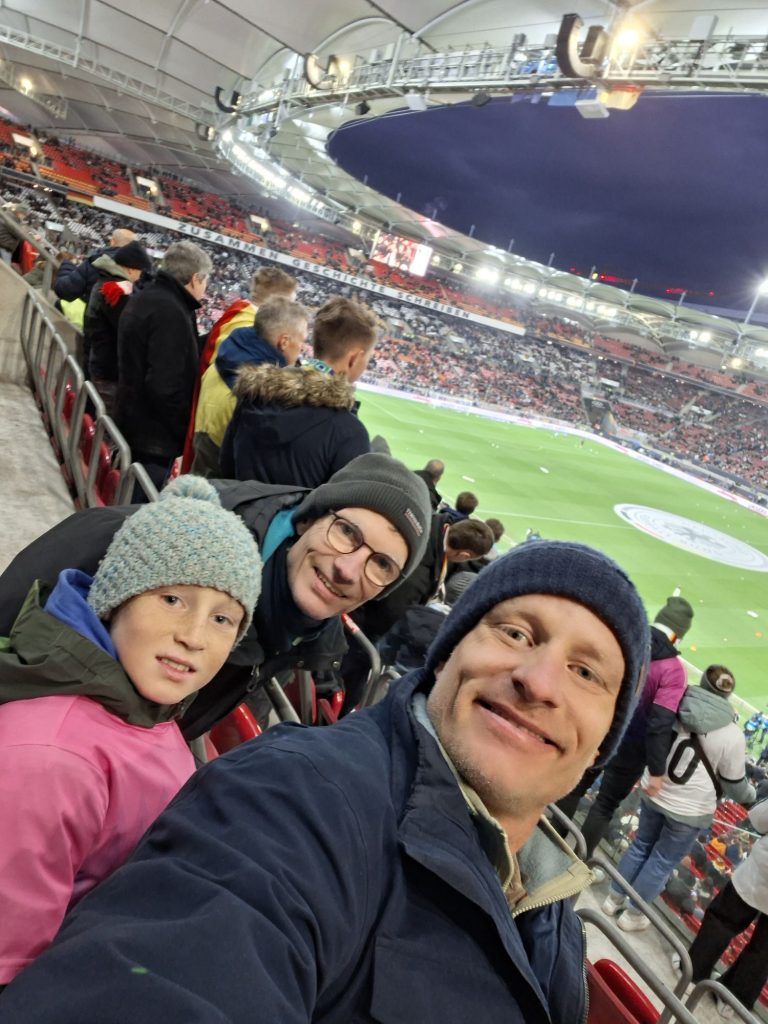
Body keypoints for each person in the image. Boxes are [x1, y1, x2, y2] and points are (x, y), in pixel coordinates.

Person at [0, 540, 650, 1022]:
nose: (539, 681)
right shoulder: (291, 797)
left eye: (587, 673)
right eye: (515, 632)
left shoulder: (553, 912)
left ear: (603, 743)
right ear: (447, 655)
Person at [0, 476, 262, 987]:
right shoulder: (51, 760)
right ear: (116, 597)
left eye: (223, 618)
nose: (193, 636)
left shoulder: (146, 705)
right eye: (172, 599)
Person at [0, 453, 431, 741]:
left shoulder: (307, 637)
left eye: (381, 564)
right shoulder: (146, 537)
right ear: (308, 520)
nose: (349, 569)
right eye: (347, 532)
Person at [602, 665, 755, 932]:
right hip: (689, 809)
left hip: (655, 789)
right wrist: (752, 796)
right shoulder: (733, 734)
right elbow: (735, 786)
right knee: (661, 861)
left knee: (640, 846)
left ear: (703, 683)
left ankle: (612, 899)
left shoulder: (675, 703)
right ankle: (632, 915)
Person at [559, 594, 694, 858]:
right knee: (605, 805)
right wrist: (657, 771)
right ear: (679, 634)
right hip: (631, 750)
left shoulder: (629, 641)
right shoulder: (673, 671)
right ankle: (577, 861)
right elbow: (660, 721)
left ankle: (547, 842)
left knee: (576, 785)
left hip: (602, 730)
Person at [219, 296, 377, 487]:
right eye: (368, 358)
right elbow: (345, 501)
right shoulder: (349, 432)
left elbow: (226, 469)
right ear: (354, 358)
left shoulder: (254, 394)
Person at [116, 240, 212, 492]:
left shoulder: (150, 297)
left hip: (135, 422)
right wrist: (183, 427)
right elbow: (164, 384)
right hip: (153, 438)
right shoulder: (171, 311)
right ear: (195, 278)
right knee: (137, 502)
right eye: (205, 281)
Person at [181, 266, 297, 471]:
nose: (293, 312)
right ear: (277, 304)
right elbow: (243, 377)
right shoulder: (248, 327)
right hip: (218, 429)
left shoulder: (241, 316)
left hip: (212, 421)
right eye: (291, 304)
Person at [688, 798, 768, 1020]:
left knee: (722, 920)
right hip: (760, 871)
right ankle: (734, 1001)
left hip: (761, 873)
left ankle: (693, 972)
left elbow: (760, 818)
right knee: (764, 950)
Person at [83, 240, 153, 412]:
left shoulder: (105, 282)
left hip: (100, 361)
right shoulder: (116, 290)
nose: (140, 276)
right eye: (140, 271)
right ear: (130, 269)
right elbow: (126, 331)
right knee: (104, 418)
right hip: (108, 368)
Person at [54, 227, 137, 303]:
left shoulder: (96, 262)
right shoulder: (140, 273)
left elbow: (65, 291)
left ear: (112, 242)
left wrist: (67, 266)